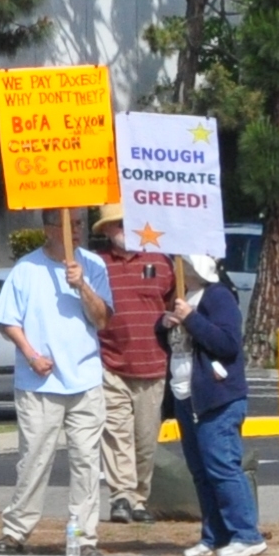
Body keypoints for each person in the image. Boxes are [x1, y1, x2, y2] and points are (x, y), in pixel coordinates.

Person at [0, 224, 113, 555]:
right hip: (39, 384)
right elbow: (7, 321)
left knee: (86, 462)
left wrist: (82, 285)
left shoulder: (93, 265)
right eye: (67, 224)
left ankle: (83, 537)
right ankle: (16, 531)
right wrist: (31, 355)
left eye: (79, 223)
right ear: (49, 229)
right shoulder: (26, 268)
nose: (76, 230)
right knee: (34, 459)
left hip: (85, 380)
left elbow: (102, 319)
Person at [170, 255, 263, 556]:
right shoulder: (181, 297)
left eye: (182, 263)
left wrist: (191, 318)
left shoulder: (218, 296)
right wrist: (164, 324)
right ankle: (215, 535)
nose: (176, 268)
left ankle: (247, 534)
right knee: (201, 471)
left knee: (222, 467)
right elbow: (175, 345)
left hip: (217, 397)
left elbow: (227, 343)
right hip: (186, 396)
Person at [87, 211, 175, 527]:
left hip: (153, 365)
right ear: (107, 230)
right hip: (111, 365)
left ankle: (139, 498)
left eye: (129, 223)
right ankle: (121, 498)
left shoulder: (162, 262)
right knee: (117, 436)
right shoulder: (97, 264)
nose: (124, 229)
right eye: (117, 224)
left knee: (146, 440)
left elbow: (174, 303)